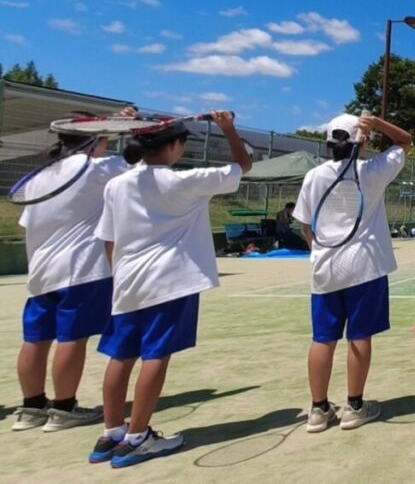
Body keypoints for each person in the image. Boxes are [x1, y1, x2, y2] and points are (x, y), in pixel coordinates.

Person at [90, 110, 252, 467]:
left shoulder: (117, 184)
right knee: (156, 355)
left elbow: (108, 239)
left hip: (127, 281)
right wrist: (228, 128)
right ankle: (138, 437)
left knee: (121, 355)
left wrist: (120, 274)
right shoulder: (188, 181)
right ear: (175, 145)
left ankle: (111, 433)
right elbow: (243, 165)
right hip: (169, 282)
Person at [13, 107, 136, 434]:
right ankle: (64, 408)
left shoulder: (38, 177)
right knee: (72, 338)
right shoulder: (97, 169)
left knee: (36, 338)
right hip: (81, 269)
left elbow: (28, 224)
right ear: (95, 139)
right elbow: (139, 159)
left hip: (41, 272)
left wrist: (112, 123)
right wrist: (125, 123)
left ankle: (31, 408)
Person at [292, 112, 412, 433]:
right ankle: (354, 407)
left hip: (326, 269)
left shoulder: (314, 176)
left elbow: (306, 225)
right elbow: (405, 141)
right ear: (363, 140)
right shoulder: (372, 171)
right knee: (359, 337)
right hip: (365, 268)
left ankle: (318, 410)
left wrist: (318, 251)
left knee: (323, 338)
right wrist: (377, 123)